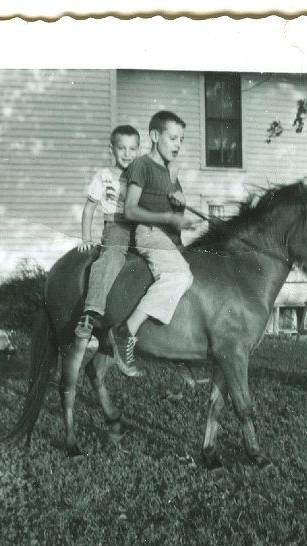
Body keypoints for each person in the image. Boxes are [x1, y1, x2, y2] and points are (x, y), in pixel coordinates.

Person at [116, 110, 197, 374]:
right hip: (148, 233)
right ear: (154, 136)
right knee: (179, 276)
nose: (178, 144)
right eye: (173, 138)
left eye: (181, 140)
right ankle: (126, 331)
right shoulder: (140, 165)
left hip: (171, 239)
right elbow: (129, 210)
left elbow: (175, 215)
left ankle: (177, 351)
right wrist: (168, 216)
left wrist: (180, 206)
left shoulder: (170, 173)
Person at [74, 125, 141, 375]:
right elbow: (90, 207)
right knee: (110, 258)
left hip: (142, 227)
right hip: (117, 228)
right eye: (121, 148)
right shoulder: (104, 176)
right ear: (111, 149)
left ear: (139, 149)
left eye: (132, 148)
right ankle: (91, 313)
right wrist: (86, 237)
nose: (127, 153)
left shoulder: (141, 172)